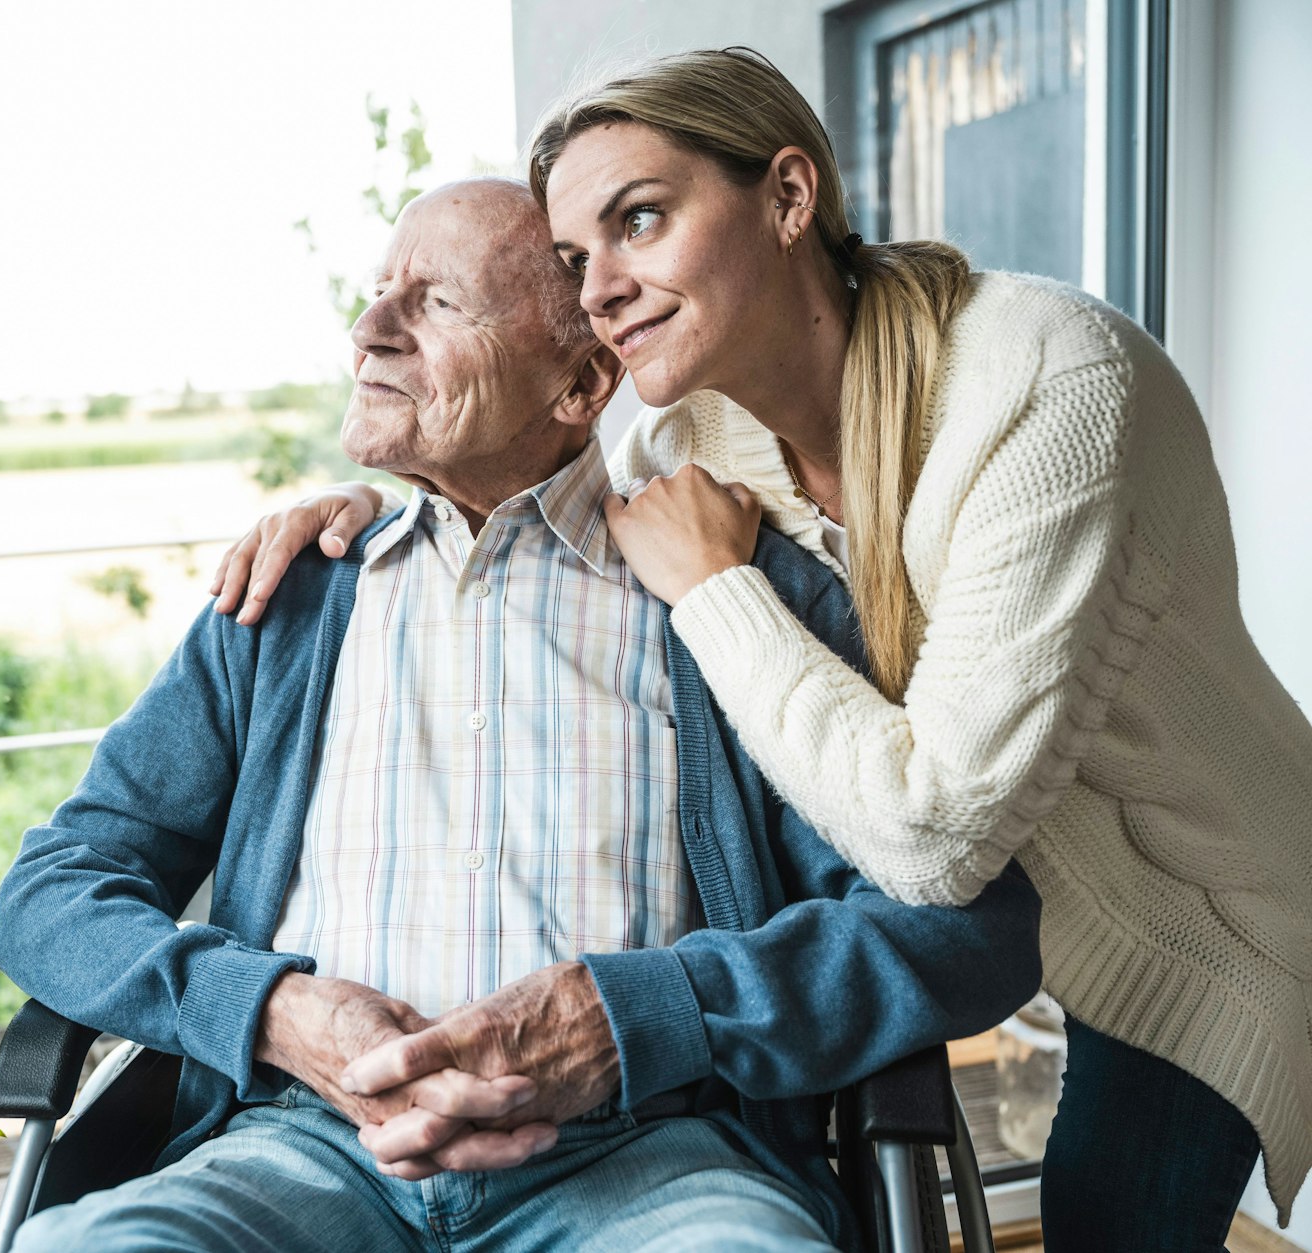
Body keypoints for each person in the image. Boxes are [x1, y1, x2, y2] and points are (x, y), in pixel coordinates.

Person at [209, 46, 1312, 1253]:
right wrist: (375, 509)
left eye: (641, 220)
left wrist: (719, 588)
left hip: (1196, 903)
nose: (600, 292)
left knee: (1113, 1221)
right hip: (1021, 888)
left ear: (788, 197)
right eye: (577, 261)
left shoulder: (1047, 381)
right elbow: (529, 492)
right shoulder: (701, 430)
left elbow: (934, 837)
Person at [0, 176, 1040, 1253]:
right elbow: (52, 890)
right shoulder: (288, 602)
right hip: (302, 1150)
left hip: (653, 1167)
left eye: (435, 304)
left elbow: (961, 925)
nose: (367, 330)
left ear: (581, 381)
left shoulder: (729, 594)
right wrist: (267, 1010)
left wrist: (633, 1016)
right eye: (377, 292)